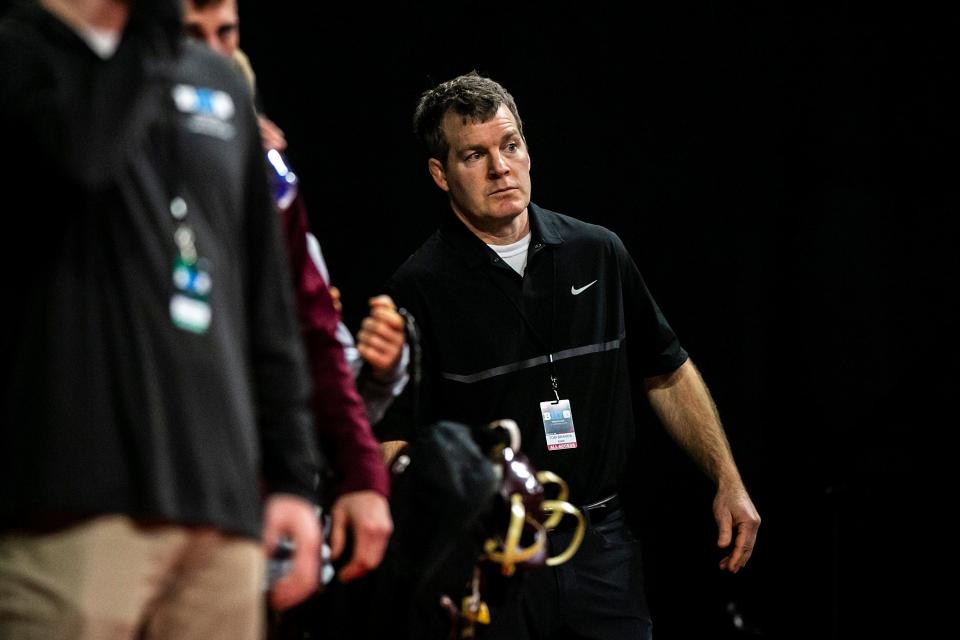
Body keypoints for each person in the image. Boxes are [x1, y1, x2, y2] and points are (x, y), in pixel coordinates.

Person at [376, 71, 762, 639]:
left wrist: (728, 478)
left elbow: (668, 370)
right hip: (490, 556)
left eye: (510, 146)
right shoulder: (418, 287)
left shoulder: (597, 251)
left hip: (600, 544)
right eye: (474, 155)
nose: (500, 168)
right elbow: (396, 437)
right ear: (441, 173)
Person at [0, 0, 323, 638]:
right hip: (69, 512)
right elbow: (82, 159)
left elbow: (263, 300)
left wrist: (291, 476)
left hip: (219, 517)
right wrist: (150, 29)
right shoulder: (18, 55)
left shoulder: (218, 80)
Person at [181, 0, 405, 586]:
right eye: (189, 37)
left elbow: (314, 353)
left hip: (249, 501)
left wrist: (380, 384)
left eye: (225, 36)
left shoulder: (276, 198)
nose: (208, 63)